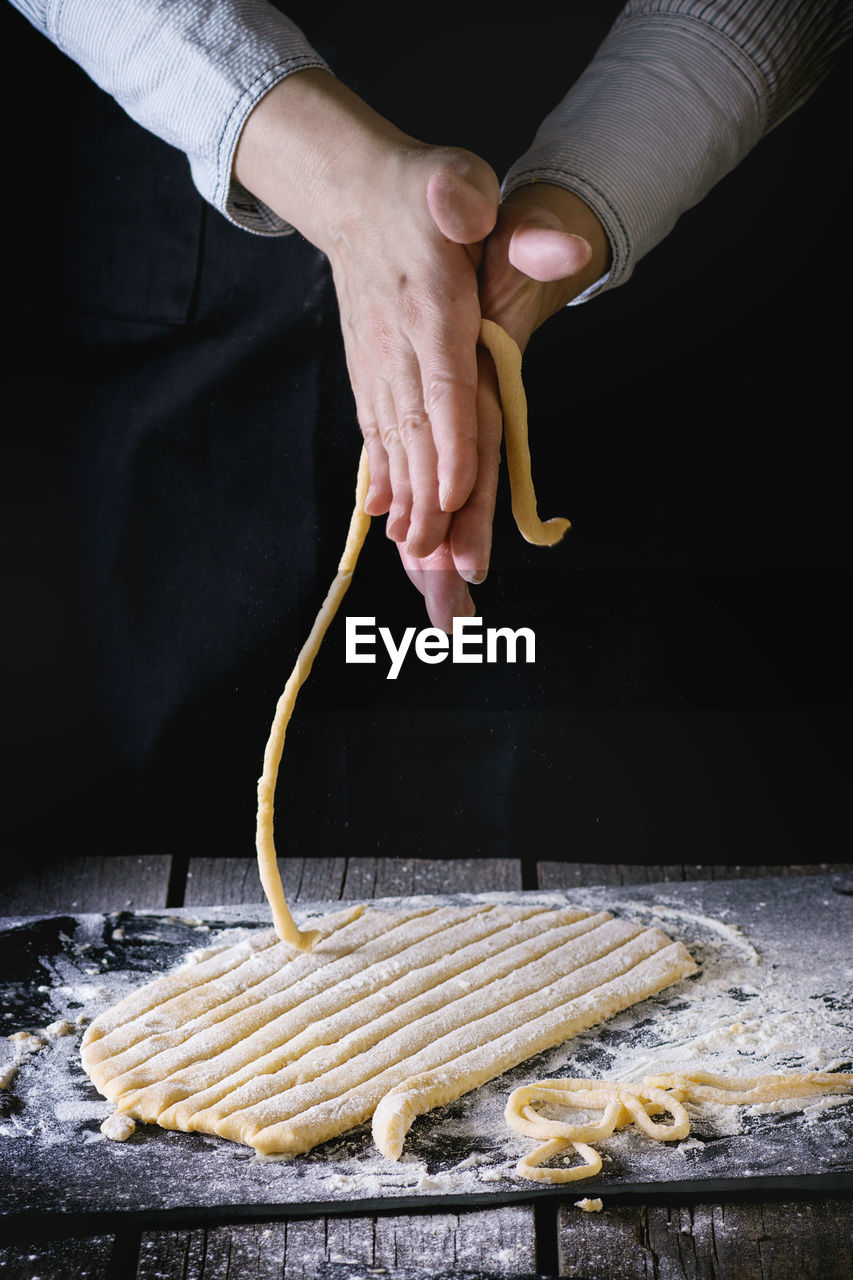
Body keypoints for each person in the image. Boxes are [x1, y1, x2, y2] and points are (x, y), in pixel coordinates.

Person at [4, 0, 851, 864]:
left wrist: (586, 195)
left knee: (627, 817)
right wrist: (341, 181)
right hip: (180, 285)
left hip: (649, 291)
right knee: (180, 820)